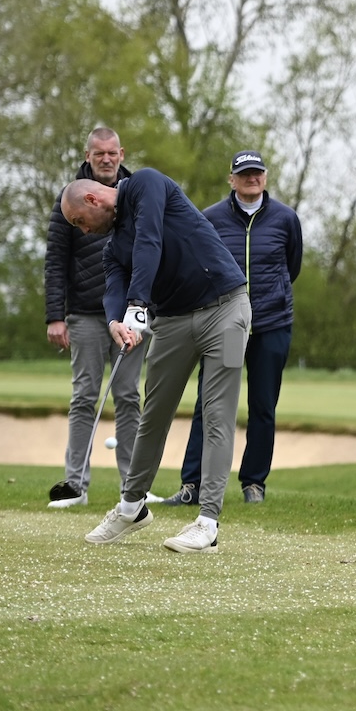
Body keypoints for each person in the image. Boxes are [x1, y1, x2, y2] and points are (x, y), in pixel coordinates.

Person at [62, 169, 252, 554]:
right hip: (172, 322)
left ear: (94, 200)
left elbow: (150, 238)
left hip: (228, 308)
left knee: (217, 413)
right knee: (154, 414)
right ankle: (132, 507)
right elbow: (113, 286)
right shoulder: (113, 248)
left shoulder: (146, 184)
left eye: (80, 222)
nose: (82, 231)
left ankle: (207, 523)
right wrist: (117, 320)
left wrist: (137, 303)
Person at [159, 150, 304, 508]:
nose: (252, 178)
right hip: (222, 324)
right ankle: (192, 484)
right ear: (232, 179)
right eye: (244, 173)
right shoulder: (211, 218)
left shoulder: (286, 219)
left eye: (257, 172)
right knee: (209, 405)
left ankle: (254, 482)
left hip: (271, 325)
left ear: (265, 177)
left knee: (263, 405)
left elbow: (292, 267)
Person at [43, 127, 148, 509]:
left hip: (131, 313)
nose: (106, 159)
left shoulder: (138, 194)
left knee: (128, 396)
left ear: (121, 153)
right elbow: (55, 260)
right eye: (98, 153)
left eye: (112, 153)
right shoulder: (69, 197)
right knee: (84, 396)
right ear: (87, 156)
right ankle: (76, 485)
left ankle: (133, 488)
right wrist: (55, 315)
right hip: (85, 313)